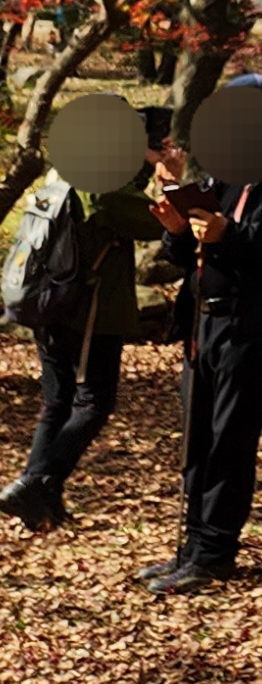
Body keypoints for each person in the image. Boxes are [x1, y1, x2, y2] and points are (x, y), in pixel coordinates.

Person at [144, 75, 262, 595]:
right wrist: (177, 229)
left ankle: (214, 552)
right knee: (197, 437)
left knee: (229, 439)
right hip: (203, 317)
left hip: (254, 323)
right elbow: (191, 248)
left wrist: (233, 233)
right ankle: (189, 549)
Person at [2, 115, 166, 532]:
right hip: (89, 311)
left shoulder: (65, 170)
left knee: (58, 403)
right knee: (95, 401)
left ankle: (43, 502)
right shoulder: (103, 182)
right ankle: (34, 482)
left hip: (47, 301)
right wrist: (162, 172)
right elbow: (153, 221)